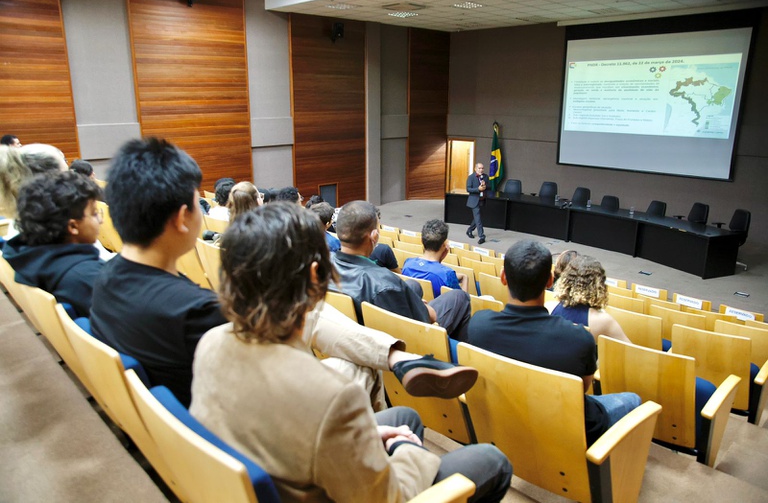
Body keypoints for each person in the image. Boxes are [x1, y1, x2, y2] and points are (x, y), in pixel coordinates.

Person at [91, 137, 477, 408]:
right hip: (245, 419)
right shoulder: (193, 313)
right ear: (181, 219)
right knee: (315, 326)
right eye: (198, 202)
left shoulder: (105, 280)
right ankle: (392, 367)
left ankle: (396, 358)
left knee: (307, 314)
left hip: (198, 419)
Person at [190, 202, 512, 503]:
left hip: (280, 468)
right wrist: (404, 448)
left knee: (406, 416)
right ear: (316, 276)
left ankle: (396, 365)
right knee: (493, 461)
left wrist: (366, 433)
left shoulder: (211, 344)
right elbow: (390, 497)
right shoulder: (333, 399)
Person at [467, 240, 641, 446]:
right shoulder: (578, 340)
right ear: (550, 281)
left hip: (508, 415)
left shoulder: (478, 325)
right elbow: (582, 389)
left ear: (503, 277)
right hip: (566, 427)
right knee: (634, 400)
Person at [331, 201, 472, 341]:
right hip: (404, 340)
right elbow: (431, 317)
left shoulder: (323, 264)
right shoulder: (384, 281)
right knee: (459, 297)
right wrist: (420, 306)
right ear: (374, 236)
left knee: (413, 285)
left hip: (349, 330)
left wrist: (413, 301)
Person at [3, 172, 103, 317]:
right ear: (73, 227)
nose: (101, 220)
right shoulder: (88, 277)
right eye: (94, 214)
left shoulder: (24, 256)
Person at [551, 255, 632, 344]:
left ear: (565, 280)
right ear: (599, 285)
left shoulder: (550, 307)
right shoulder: (603, 320)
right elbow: (630, 350)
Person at [402, 219, 467, 297]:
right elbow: (462, 300)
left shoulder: (408, 264)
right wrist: (465, 278)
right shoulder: (447, 274)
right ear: (444, 245)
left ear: (421, 241)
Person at [466, 161, 488, 244]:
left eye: (482, 168)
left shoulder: (485, 177)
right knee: (478, 219)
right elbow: (468, 189)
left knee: (477, 218)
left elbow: (489, 187)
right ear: (475, 169)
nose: (481, 170)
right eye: (479, 168)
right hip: (474, 201)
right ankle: (482, 236)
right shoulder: (471, 177)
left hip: (482, 200)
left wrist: (485, 187)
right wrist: (478, 189)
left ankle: (469, 230)